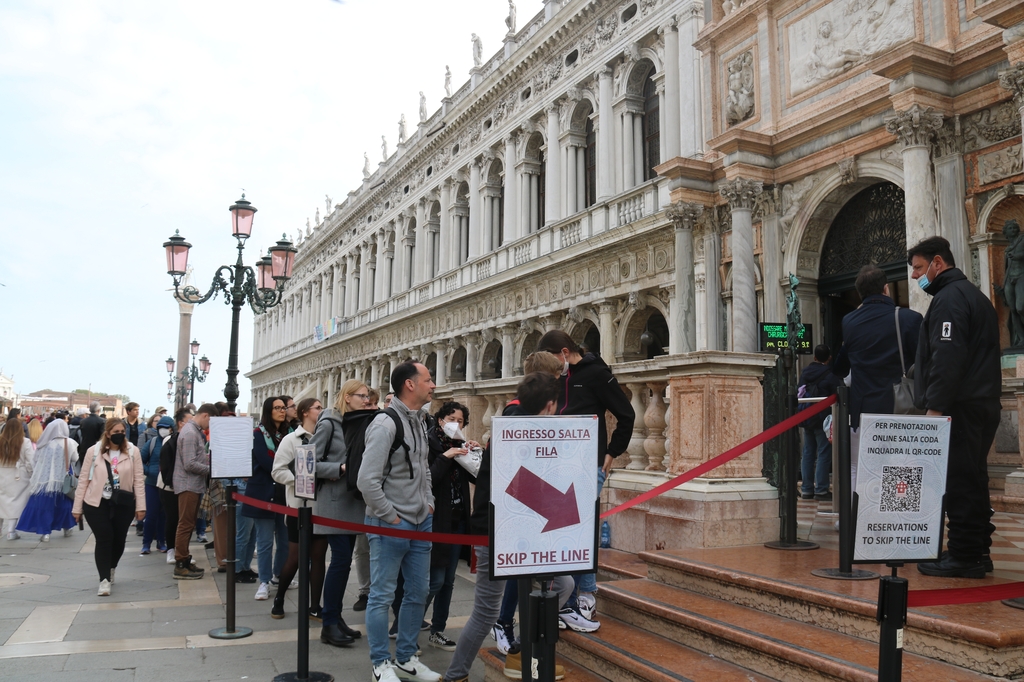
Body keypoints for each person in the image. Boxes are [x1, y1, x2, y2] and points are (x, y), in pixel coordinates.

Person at [441, 373, 573, 682]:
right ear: (551, 406)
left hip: (522, 533)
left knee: (563, 585)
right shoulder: (517, 434)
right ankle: (455, 675)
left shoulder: (520, 430)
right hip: (497, 533)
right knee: (486, 611)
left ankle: (525, 654)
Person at [909, 237, 1002, 578]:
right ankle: (978, 549)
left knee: (959, 480)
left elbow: (948, 359)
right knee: (974, 478)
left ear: (937, 263)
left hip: (960, 406)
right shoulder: (974, 295)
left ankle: (964, 555)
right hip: (983, 401)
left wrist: (936, 408)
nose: (916, 276)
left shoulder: (949, 299)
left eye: (919, 268)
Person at [536, 329, 635, 628]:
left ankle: (587, 592)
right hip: (557, 465)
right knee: (562, 532)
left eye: (552, 361)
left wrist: (612, 452)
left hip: (588, 463)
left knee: (582, 530)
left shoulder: (595, 373)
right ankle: (565, 602)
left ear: (564, 353)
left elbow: (627, 414)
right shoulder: (556, 376)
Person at [358, 361, 439, 682]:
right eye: (428, 379)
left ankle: (406, 657)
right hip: (390, 523)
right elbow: (367, 480)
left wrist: (429, 503)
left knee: (418, 591)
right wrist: (389, 515)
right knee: (382, 595)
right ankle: (380, 662)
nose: (433, 385)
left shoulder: (420, 421)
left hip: (421, 522)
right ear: (410, 384)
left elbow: (423, 467)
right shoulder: (385, 424)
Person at [491, 351, 566, 654]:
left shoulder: (533, 414)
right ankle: (506, 623)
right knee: (518, 575)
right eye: (558, 376)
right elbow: (512, 471)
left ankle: (533, 629)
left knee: (553, 581)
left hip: (539, 508)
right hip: (523, 510)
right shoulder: (514, 414)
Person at [831, 264, 923, 489]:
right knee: (900, 468)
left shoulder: (849, 322)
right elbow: (925, 363)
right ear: (886, 289)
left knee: (862, 468)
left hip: (862, 410)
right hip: (900, 409)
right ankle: (896, 520)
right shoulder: (909, 319)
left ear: (861, 294)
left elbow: (840, 367)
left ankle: (858, 521)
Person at [309, 380, 374, 646]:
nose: (366, 400)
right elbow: (308, 461)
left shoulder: (358, 422)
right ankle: (328, 624)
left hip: (352, 502)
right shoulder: (328, 422)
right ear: (347, 397)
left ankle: (336, 618)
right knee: (340, 560)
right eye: (362, 396)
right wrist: (341, 469)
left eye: (368, 396)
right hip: (334, 503)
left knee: (343, 561)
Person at [423, 401, 478, 652]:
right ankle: (407, 626)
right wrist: (446, 457)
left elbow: (477, 476)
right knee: (434, 580)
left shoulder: (459, 445)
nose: (456, 424)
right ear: (441, 419)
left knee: (448, 581)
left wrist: (475, 453)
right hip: (436, 520)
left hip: (457, 520)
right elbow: (428, 479)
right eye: (452, 418)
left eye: (461, 421)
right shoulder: (429, 442)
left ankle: (438, 630)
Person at [270, 398, 330, 624]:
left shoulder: (326, 439)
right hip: (298, 508)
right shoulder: (290, 440)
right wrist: (299, 480)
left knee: (318, 557)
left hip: (321, 508)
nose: (321, 411)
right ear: (305, 412)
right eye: (317, 408)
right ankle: (279, 598)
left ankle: (315, 606)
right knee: (294, 558)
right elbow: (277, 471)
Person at [72, 417, 146, 596]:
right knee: (105, 539)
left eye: (122, 432)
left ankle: (111, 567)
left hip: (123, 503)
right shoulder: (94, 451)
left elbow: (138, 480)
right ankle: (104, 579)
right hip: (96, 502)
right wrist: (77, 507)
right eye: (116, 433)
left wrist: (141, 506)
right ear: (107, 434)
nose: (120, 435)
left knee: (119, 540)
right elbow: (83, 479)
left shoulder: (133, 452)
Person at [243, 397, 291, 599]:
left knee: (285, 540)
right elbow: (267, 462)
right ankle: (263, 581)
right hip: (262, 493)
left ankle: (278, 575)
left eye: (283, 408)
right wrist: (287, 465)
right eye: (277, 408)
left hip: (285, 495)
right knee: (264, 542)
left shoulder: (290, 434)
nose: (282, 411)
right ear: (268, 411)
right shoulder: (258, 435)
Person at [173, 403, 215, 580]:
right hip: (188, 485)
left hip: (193, 484)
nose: (210, 426)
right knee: (186, 524)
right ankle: (181, 563)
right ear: (205, 416)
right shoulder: (190, 433)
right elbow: (189, 464)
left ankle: (184, 559)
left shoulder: (193, 430)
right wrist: (212, 469)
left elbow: (196, 458)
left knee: (188, 524)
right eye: (211, 422)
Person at [17, 419, 77, 541]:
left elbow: (36, 459)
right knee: (65, 504)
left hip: (45, 480)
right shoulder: (69, 442)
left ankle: (45, 533)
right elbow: (75, 458)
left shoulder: (44, 444)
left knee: (45, 506)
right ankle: (67, 528)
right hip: (63, 479)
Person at [798, 344, 840, 501]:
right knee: (823, 453)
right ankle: (821, 489)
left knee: (808, 452)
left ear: (814, 357)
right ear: (829, 358)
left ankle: (806, 489)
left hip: (806, 417)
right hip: (822, 419)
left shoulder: (805, 373)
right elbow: (838, 393)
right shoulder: (829, 375)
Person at [159, 408, 191, 565]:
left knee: (184, 520)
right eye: (189, 421)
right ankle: (171, 549)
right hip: (169, 486)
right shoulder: (171, 440)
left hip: (185, 485)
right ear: (181, 423)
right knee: (172, 518)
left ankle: (182, 550)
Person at [140, 415, 173, 555]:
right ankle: (146, 543)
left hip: (167, 485)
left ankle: (161, 542)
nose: (163, 430)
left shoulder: (173, 442)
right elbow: (140, 460)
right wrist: (149, 471)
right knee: (152, 514)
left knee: (164, 516)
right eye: (161, 428)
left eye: (166, 428)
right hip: (152, 483)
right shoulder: (152, 442)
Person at [0, 416, 34, 540]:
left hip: (2, 473)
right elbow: (30, 461)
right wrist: (31, 474)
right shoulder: (25, 442)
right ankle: (11, 531)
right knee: (15, 502)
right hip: (18, 475)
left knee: (1, 502)